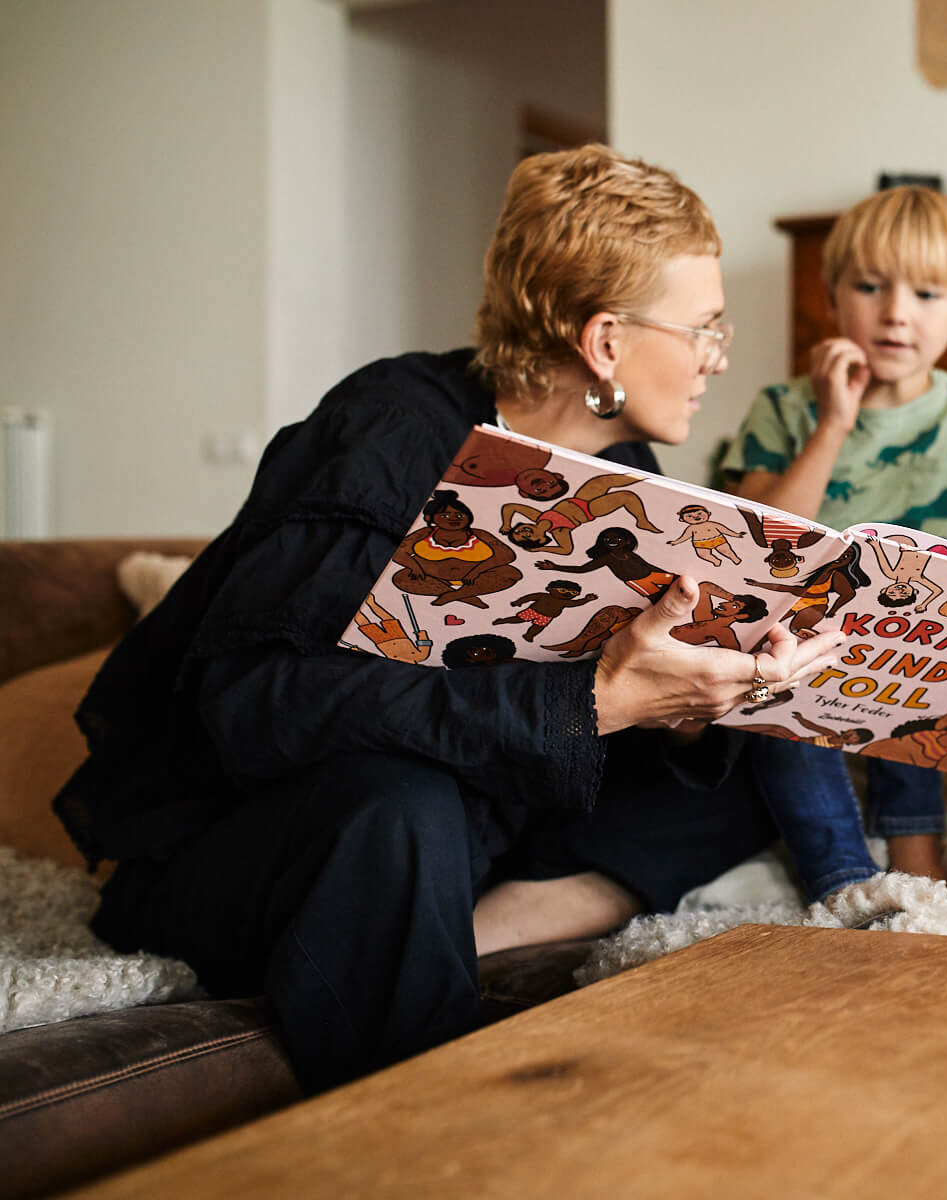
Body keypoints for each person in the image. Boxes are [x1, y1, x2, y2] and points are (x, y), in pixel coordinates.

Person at [52, 145, 845, 1092]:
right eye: (705, 329)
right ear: (604, 343)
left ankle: (499, 916)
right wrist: (589, 703)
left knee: (751, 758)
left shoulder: (627, 468)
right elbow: (257, 705)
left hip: (480, 818)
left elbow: (584, 705)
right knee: (399, 803)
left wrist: (687, 693)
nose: (719, 357)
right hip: (260, 831)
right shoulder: (390, 427)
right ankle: (435, 1107)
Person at [719, 185, 947, 898]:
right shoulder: (784, 408)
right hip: (792, 630)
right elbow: (762, 545)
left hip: (911, 637)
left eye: (926, 293)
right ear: (831, 300)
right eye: (869, 287)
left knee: (926, 667)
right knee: (774, 696)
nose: (895, 313)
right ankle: (844, 878)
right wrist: (833, 422)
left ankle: (917, 863)